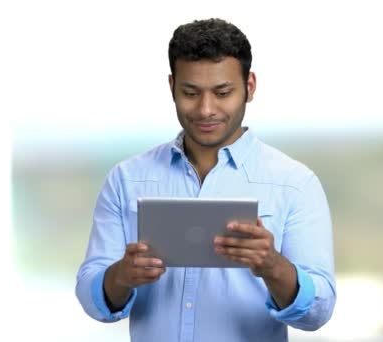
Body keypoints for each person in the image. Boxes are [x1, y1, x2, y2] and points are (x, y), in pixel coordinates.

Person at [76, 18, 336, 342]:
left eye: (223, 92)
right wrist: (120, 277)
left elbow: (319, 312)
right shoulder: (126, 180)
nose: (205, 109)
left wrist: (273, 266)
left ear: (249, 87)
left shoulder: (295, 184)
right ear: (171, 86)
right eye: (190, 92)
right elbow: (91, 296)